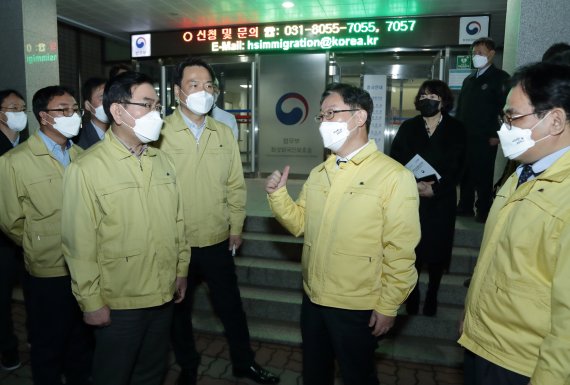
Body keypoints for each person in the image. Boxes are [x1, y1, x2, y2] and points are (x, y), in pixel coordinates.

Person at [265, 83, 420, 385]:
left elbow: (401, 251)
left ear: (359, 118)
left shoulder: (394, 177)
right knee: (315, 372)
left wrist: (389, 304)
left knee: (358, 376)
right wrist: (278, 196)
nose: (324, 122)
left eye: (331, 113)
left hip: (356, 304)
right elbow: (300, 223)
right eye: (321, 116)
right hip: (314, 297)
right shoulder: (320, 172)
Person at [61, 71, 190, 385]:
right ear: (117, 111)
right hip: (119, 303)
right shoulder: (86, 169)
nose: (156, 114)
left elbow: (177, 221)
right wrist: (90, 302)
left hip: (162, 296)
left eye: (158, 105)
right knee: (113, 375)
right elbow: (79, 243)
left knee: (151, 373)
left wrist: (181, 268)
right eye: (146, 105)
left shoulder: (163, 162)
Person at [157, 57, 279, 385]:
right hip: (175, 242)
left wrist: (236, 227)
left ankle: (244, 363)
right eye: (194, 84)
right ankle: (188, 366)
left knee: (231, 309)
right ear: (177, 91)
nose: (203, 91)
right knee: (177, 313)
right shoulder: (159, 132)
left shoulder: (223, 132)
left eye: (208, 85)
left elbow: (235, 185)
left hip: (215, 239)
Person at [459, 62, 570, 385]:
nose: (504, 128)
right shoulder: (521, 175)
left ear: (555, 120)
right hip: (485, 345)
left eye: (513, 117)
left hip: (524, 365)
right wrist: (471, 312)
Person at [0, 86, 92, 385]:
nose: (72, 115)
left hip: (86, 267)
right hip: (46, 268)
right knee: (47, 344)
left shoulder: (82, 156)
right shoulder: (15, 161)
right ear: (43, 117)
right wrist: (37, 242)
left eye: (74, 109)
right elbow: (11, 220)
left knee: (80, 341)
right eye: (63, 110)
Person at [390, 80, 466, 316]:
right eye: (422, 95)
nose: (426, 99)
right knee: (413, 249)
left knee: (437, 250)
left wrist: (437, 189)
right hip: (412, 199)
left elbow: (461, 167)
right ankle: (412, 294)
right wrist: (413, 185)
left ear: (443, 100)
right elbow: (396, 159)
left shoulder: (457, 129)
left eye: (432, 95)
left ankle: (432, 292)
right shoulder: (408, 127)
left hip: (441, 201)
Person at [456, 37, 510, 223]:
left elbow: (505, 109)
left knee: (483, 173)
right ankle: (465, 206)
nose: (476, 56)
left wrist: (497, 134)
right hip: (465, 135)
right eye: (474, 53)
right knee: (466, 172)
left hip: (486, 137)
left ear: (491, 54)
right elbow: (461, 108)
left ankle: (484, 210)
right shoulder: (469, 80)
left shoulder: (500, 78)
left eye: (480, 53)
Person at [0, 89, 28, 371]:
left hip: (29, 237)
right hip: (2, 240)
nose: (19, 113)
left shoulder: (28, 145)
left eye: (22, 108)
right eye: (12, 108)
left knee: (34, 293)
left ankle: (36, 337)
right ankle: (8, 348)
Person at [75, 77, 109, 149]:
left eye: (110, 97)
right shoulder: (78, 140)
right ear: (88, 105)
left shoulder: (123, 134)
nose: (108, 102)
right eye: (102, 98)